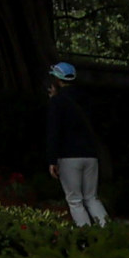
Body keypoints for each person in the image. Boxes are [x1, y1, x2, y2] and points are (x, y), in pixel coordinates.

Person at [46, 63, 108, 228]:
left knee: (75, 200)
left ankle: (86, 236)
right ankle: (108, 230)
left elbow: (54, 132)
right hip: (90, 155)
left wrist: (52, 159)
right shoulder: (87, 100)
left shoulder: (57, 102)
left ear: (58, 80)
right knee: (92, 197)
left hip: (69, 157)